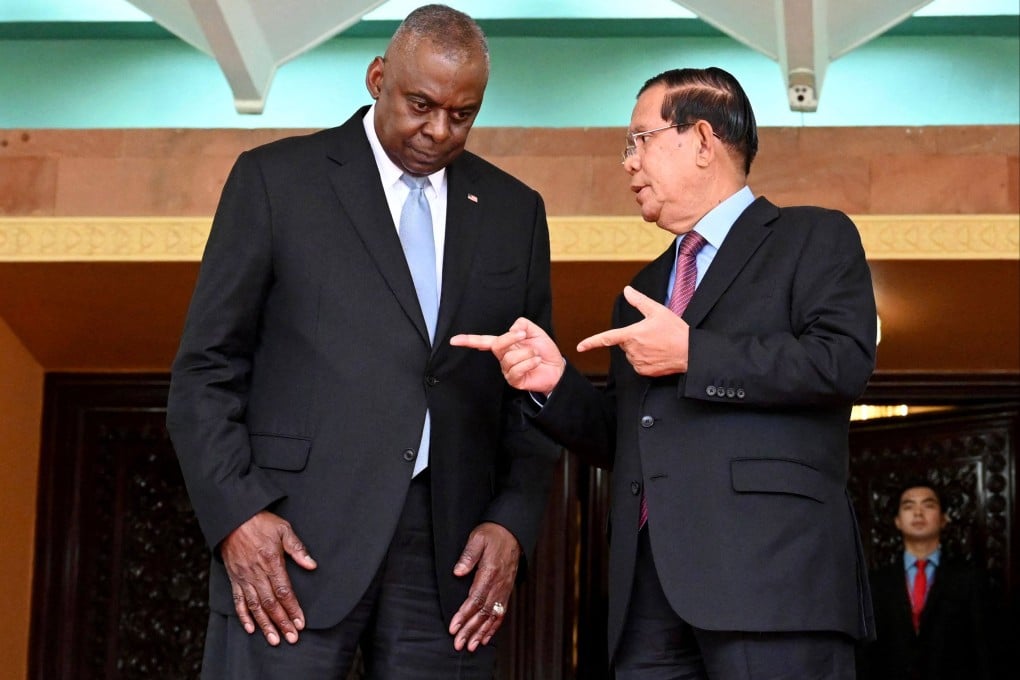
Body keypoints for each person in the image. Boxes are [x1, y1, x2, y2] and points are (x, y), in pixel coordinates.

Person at [166, 5, 561, 678]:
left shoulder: (514, 211)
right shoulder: (276, 181)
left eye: (462, 114)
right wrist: (238, 515)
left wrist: (514, 523)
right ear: (378, 76)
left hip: (450, 561)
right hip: (292, 543)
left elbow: (530, 389)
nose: (438, 131)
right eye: (420, 104)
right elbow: (206, 368)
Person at [452, 66, 878, 678]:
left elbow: (842, 364)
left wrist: (694, 353)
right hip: (648, 593)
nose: (627, 163)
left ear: (702, 141)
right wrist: (555, 385)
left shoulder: (814, 238)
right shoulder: (644, 289)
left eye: (639, 140)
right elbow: (631, 437)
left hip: (772, 584)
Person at [857, 482, 993, 679]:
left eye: (928, 505)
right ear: (897, 521)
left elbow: (984, 650)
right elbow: (865, 653)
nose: (918, 513)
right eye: (909, 506)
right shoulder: (876, 583)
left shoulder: (969, 579)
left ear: (944, 519)